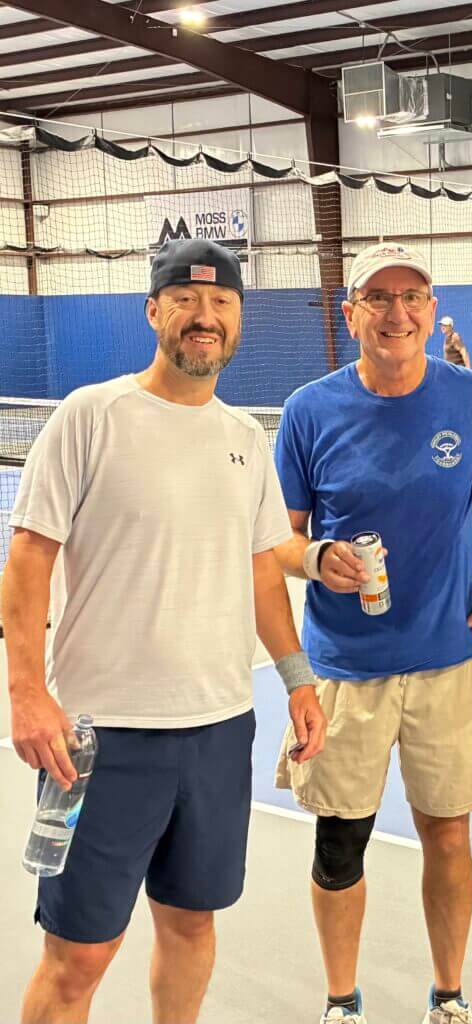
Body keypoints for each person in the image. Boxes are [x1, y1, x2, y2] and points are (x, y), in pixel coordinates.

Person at [3, 238, 326, 1024]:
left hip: (218, 730)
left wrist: (297, 679)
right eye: (186, 299)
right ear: (154, 311)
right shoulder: (91, 416)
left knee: (190, 923)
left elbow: (261, 570)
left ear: (239, 319)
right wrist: (26, 691)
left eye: (221, 303)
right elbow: (29, 557)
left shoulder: (245, 438)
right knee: (79, 955)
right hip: (99, 738)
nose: (204, 316)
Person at [272, 242, 472, 1024]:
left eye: (411, 297)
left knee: (447, 835)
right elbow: (277, 540)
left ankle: (448, 996)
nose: (397, 313)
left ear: (431, 308)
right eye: (377, 298)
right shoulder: (308, 411)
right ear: (351, 315)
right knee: (339, 844)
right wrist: (315, 558)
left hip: (447, 662)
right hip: (344, 671)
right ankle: (342, 1003)